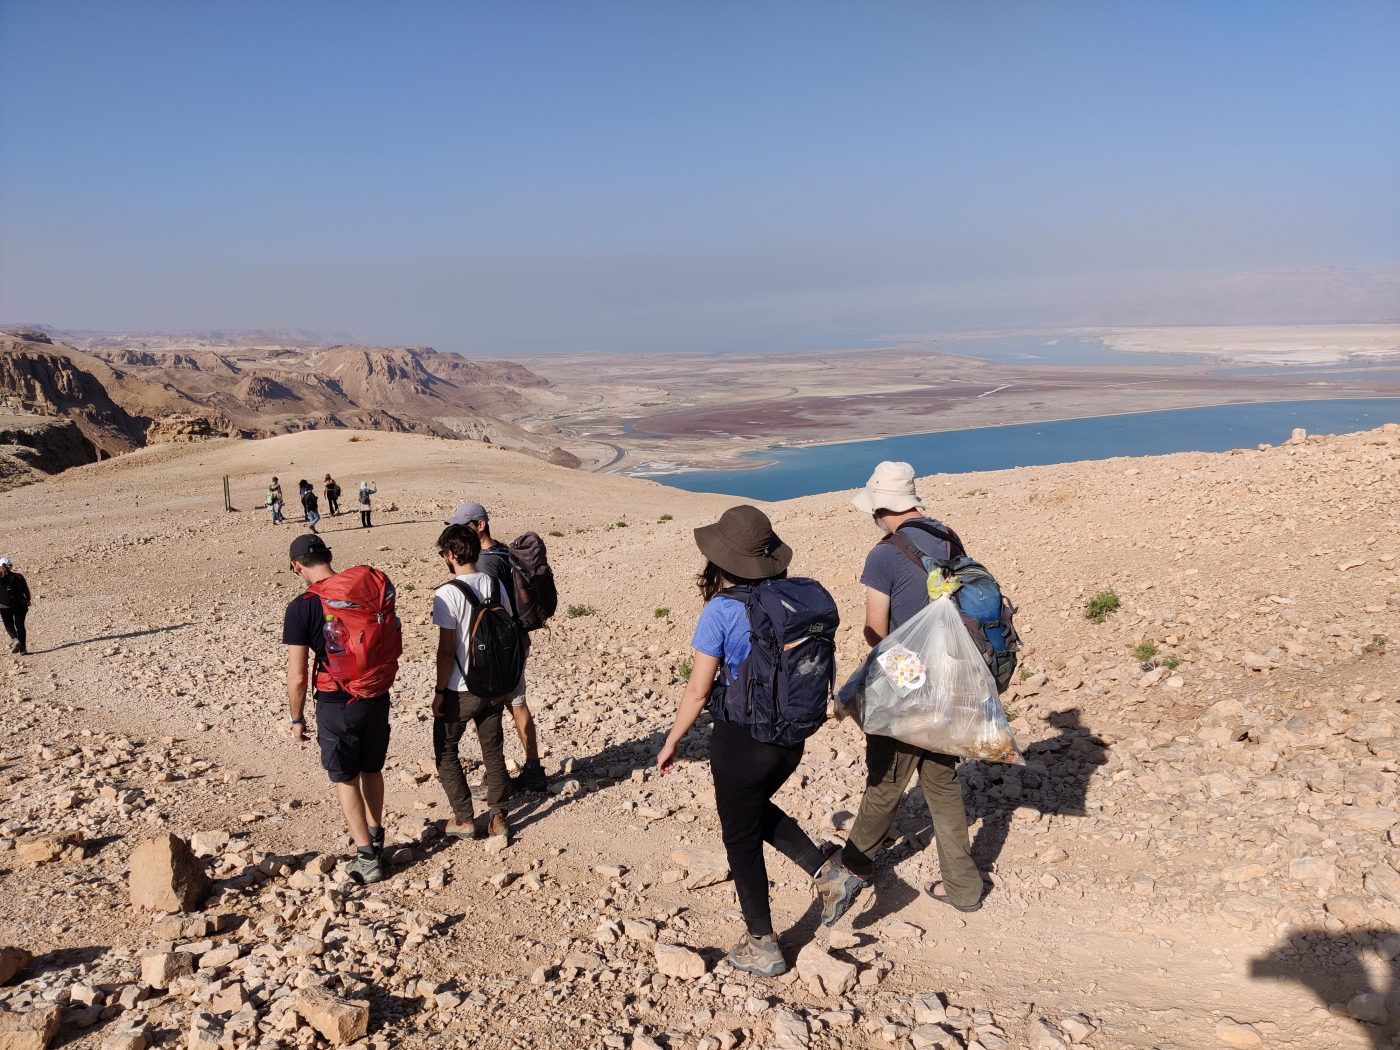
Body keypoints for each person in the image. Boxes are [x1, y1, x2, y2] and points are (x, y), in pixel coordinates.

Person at [656, 506, 850, 977]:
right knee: (751, 809)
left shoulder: (721, 610)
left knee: (740, 836)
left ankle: (763, 944)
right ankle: (828, 873)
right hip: (791, 738)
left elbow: (698, 690)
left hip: (741, 740)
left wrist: (672, 739)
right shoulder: (792, 601)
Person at [823, 461, 985, 917]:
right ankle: (963, 889)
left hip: (907, 685)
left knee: (886, 782)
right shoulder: (947, 537)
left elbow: (875, 630)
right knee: (942, 782)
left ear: (880, 507)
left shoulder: (885, 554)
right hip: (952, 679)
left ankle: (849, 873)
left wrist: (902, 678)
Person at [283, 534, 392, 884]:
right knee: (372, 768)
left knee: (345, 778)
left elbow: (298, 676)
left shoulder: (302, 606)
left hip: (336, 701)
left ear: (296, 566)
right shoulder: (363, 590)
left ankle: (367, 858)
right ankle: (376, 836)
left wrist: (297, 717)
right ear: (329, 555)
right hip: (376, 692)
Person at [444, 501, 547, 793]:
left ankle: (499, 778)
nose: (457, 533)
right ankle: (532, 768)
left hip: (496, 649)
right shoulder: (502, 551)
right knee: (516, 703)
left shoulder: (486, 563)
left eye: (462, 527)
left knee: (490, 711)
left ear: (480, 525)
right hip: (513, 643)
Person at [431, 524, 512, 841]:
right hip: (495, 682)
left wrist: (439, 691)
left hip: (461, 687)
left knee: (446, 750)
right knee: (493, 751)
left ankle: (464, 818)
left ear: (451, 554)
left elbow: (446, 651)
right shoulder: (493, 583)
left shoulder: (447, 593)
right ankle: (498, 817)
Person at [0, 558, 31, 655]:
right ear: (11, 566)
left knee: (9, 624)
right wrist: (28, 599)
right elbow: (25, 589)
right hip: (20, 604)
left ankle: (15, 639)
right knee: (20, 625)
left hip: (5, 606)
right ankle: (23, 649)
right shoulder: (18, 576)